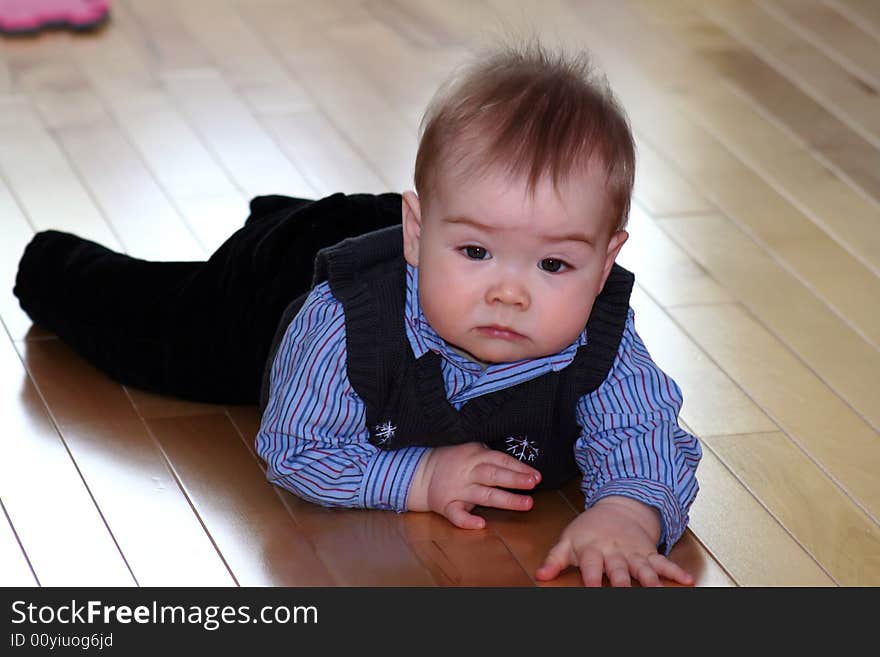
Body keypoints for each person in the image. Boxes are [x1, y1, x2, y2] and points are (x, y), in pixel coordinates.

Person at [14, 41, 701, 587]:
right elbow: (294, 447)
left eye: (553, 265)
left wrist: (626, 512)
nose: (510, 293)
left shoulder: (600, 340)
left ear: (604, 264)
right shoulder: (343, 322)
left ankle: (301, 215)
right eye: (478, 251)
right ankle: (53, 264)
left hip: (407, 234)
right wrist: (418, 478)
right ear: (420, 229)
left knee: (411, 227)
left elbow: (648, 433)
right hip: (274, 293)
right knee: (164, 334)